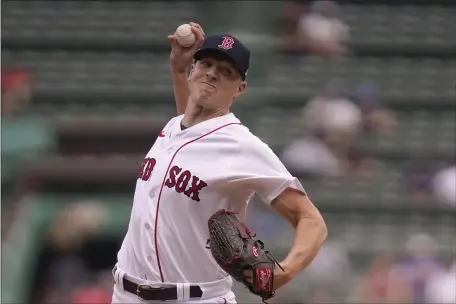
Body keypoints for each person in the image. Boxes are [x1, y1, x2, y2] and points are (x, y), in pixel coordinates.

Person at [111, 22, 327, 303]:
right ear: (193, 70)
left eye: (226, 72)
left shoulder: (240, 146)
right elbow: (193, 130)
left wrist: (283, 273)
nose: (212, 74)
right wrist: (177, 68)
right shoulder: (175, 127)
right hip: (125, 294)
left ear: (240, 88)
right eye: (207, 64)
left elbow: (312, 221)